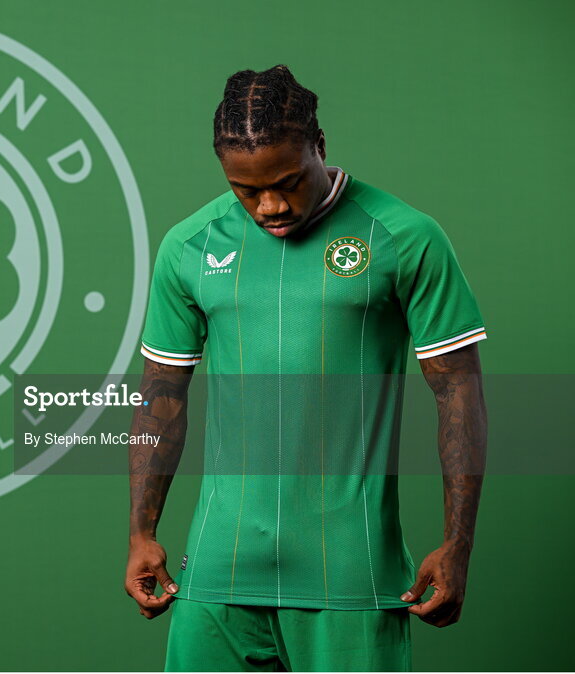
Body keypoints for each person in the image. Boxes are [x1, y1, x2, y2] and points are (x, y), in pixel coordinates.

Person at [124, 64, 488, 672]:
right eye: (246, 190)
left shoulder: (405, 237)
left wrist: (458, 545)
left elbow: (459, 397)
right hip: (218, 575)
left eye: (289, 181)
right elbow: (162, 396)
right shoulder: (189, 245)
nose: (269, 205)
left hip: (352, 577)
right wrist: (141, 532)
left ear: (320, 147)